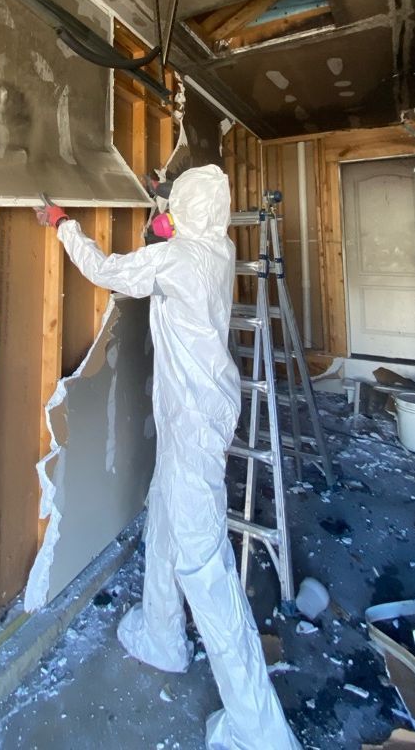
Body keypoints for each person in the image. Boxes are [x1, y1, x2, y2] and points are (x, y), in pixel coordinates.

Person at [36, 164, 300, 750]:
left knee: (204, 568)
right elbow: (174, 231)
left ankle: (260, 730)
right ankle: (161, 634)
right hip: (202, 415)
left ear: (185, 214)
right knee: (164, 519)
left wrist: (62, 225)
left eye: (172, 208)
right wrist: (165, 201)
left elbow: (109, 270)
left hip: (193, 424)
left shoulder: (176, 260)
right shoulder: (217, 247)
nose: (165, 216)